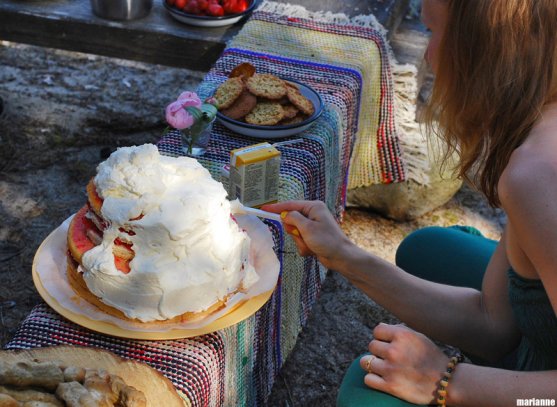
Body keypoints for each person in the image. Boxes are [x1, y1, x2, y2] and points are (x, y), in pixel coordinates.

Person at [262, 0, 557, 405]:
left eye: (434, 32)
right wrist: (344, 255)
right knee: (428, 249)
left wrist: (445, 382)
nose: (430, 56)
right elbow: (495, 324)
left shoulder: (537, 176)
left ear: (484, 47)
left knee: (363, 391)